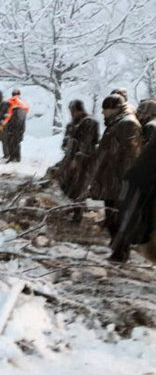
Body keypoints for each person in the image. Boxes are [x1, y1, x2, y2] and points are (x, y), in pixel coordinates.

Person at [89, 94, 141, 238]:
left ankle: (120, 253)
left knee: (119, 218)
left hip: (119, 181)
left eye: (104, 109)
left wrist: (124, 182)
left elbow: (132, 156)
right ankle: (115, 248)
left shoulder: (128, 124)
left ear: (113, 109)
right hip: (112, 181)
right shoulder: (117, 123)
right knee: (112, 216)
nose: (102, 113)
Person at [109, 134, 156, 262]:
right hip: (140, 181)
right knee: (130, 218)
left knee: (140, 219)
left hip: (145, 181)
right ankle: (119, 252)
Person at [56, 100, 99, 222]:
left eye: (72, 111)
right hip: (70, 158)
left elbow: (86, 143)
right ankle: (75, 207)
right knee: (66, 183)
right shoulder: (73, 124)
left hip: (84, 161)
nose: (71, 114)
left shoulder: (89, 122)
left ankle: (78, 214)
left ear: (78, 110)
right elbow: (67, 141)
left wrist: (77, 159)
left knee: (79, 186)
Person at [3, 89, 29, 162]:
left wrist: (6, 124)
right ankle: (17, 158)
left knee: (11, 142)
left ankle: (13, 157)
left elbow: (9, 116)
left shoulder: (12, 103)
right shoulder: (23, 104)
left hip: (13, 127)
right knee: (16, 143)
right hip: (20, 127)